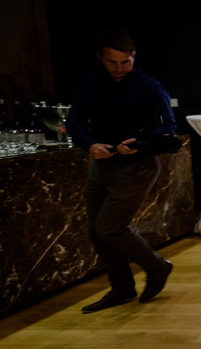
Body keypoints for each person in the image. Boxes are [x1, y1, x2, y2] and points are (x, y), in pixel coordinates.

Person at [68, 29, 176, 313]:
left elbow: (167, 131)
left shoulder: (151, 88)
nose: (119, 69)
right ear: (100, 57)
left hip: (137, 166)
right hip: (101, 165)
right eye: (112, 62)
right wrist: (90, 144)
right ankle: (122, 289)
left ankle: (157, 266)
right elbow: (74, 123)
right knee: (96, 231)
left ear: (133, 57)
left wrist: (139, 144)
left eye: (125, 62)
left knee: (110, 227)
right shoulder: (88, 84)